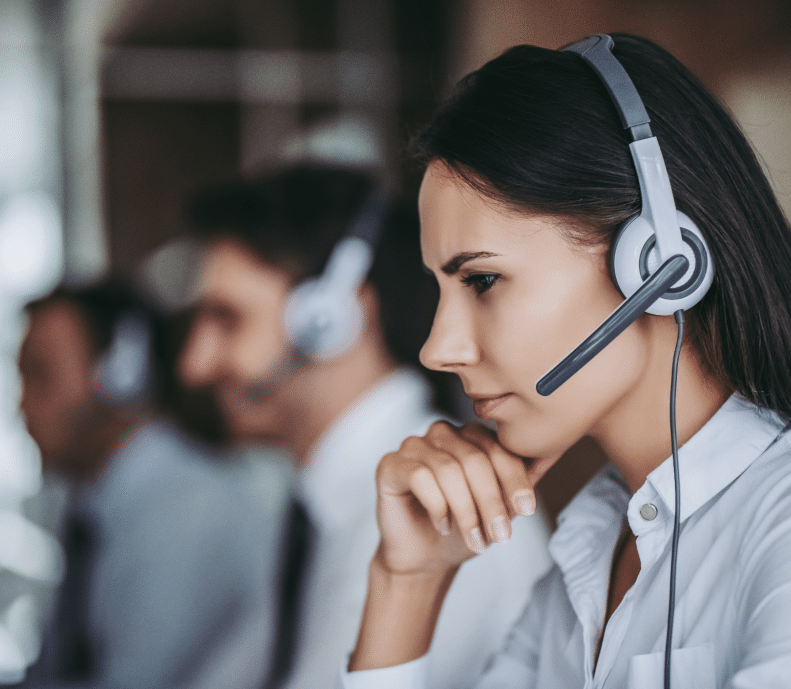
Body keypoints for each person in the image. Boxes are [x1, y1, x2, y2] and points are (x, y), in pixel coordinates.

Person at [341, 33, 791, 688]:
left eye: (481, 281)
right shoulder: (585, 563)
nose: (438, 348)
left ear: (659, 262)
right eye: (438, 290)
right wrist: (406, 583)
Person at [178, 165, 552, 689]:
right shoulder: (314, 507)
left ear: (331, 322)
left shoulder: (444, 503)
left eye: (228, 319)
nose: (193, 364)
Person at [16, 279, 272, 689]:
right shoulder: (91, 504)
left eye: (40, 375)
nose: (21, 404)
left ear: (122, 374)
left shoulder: (189, 510)